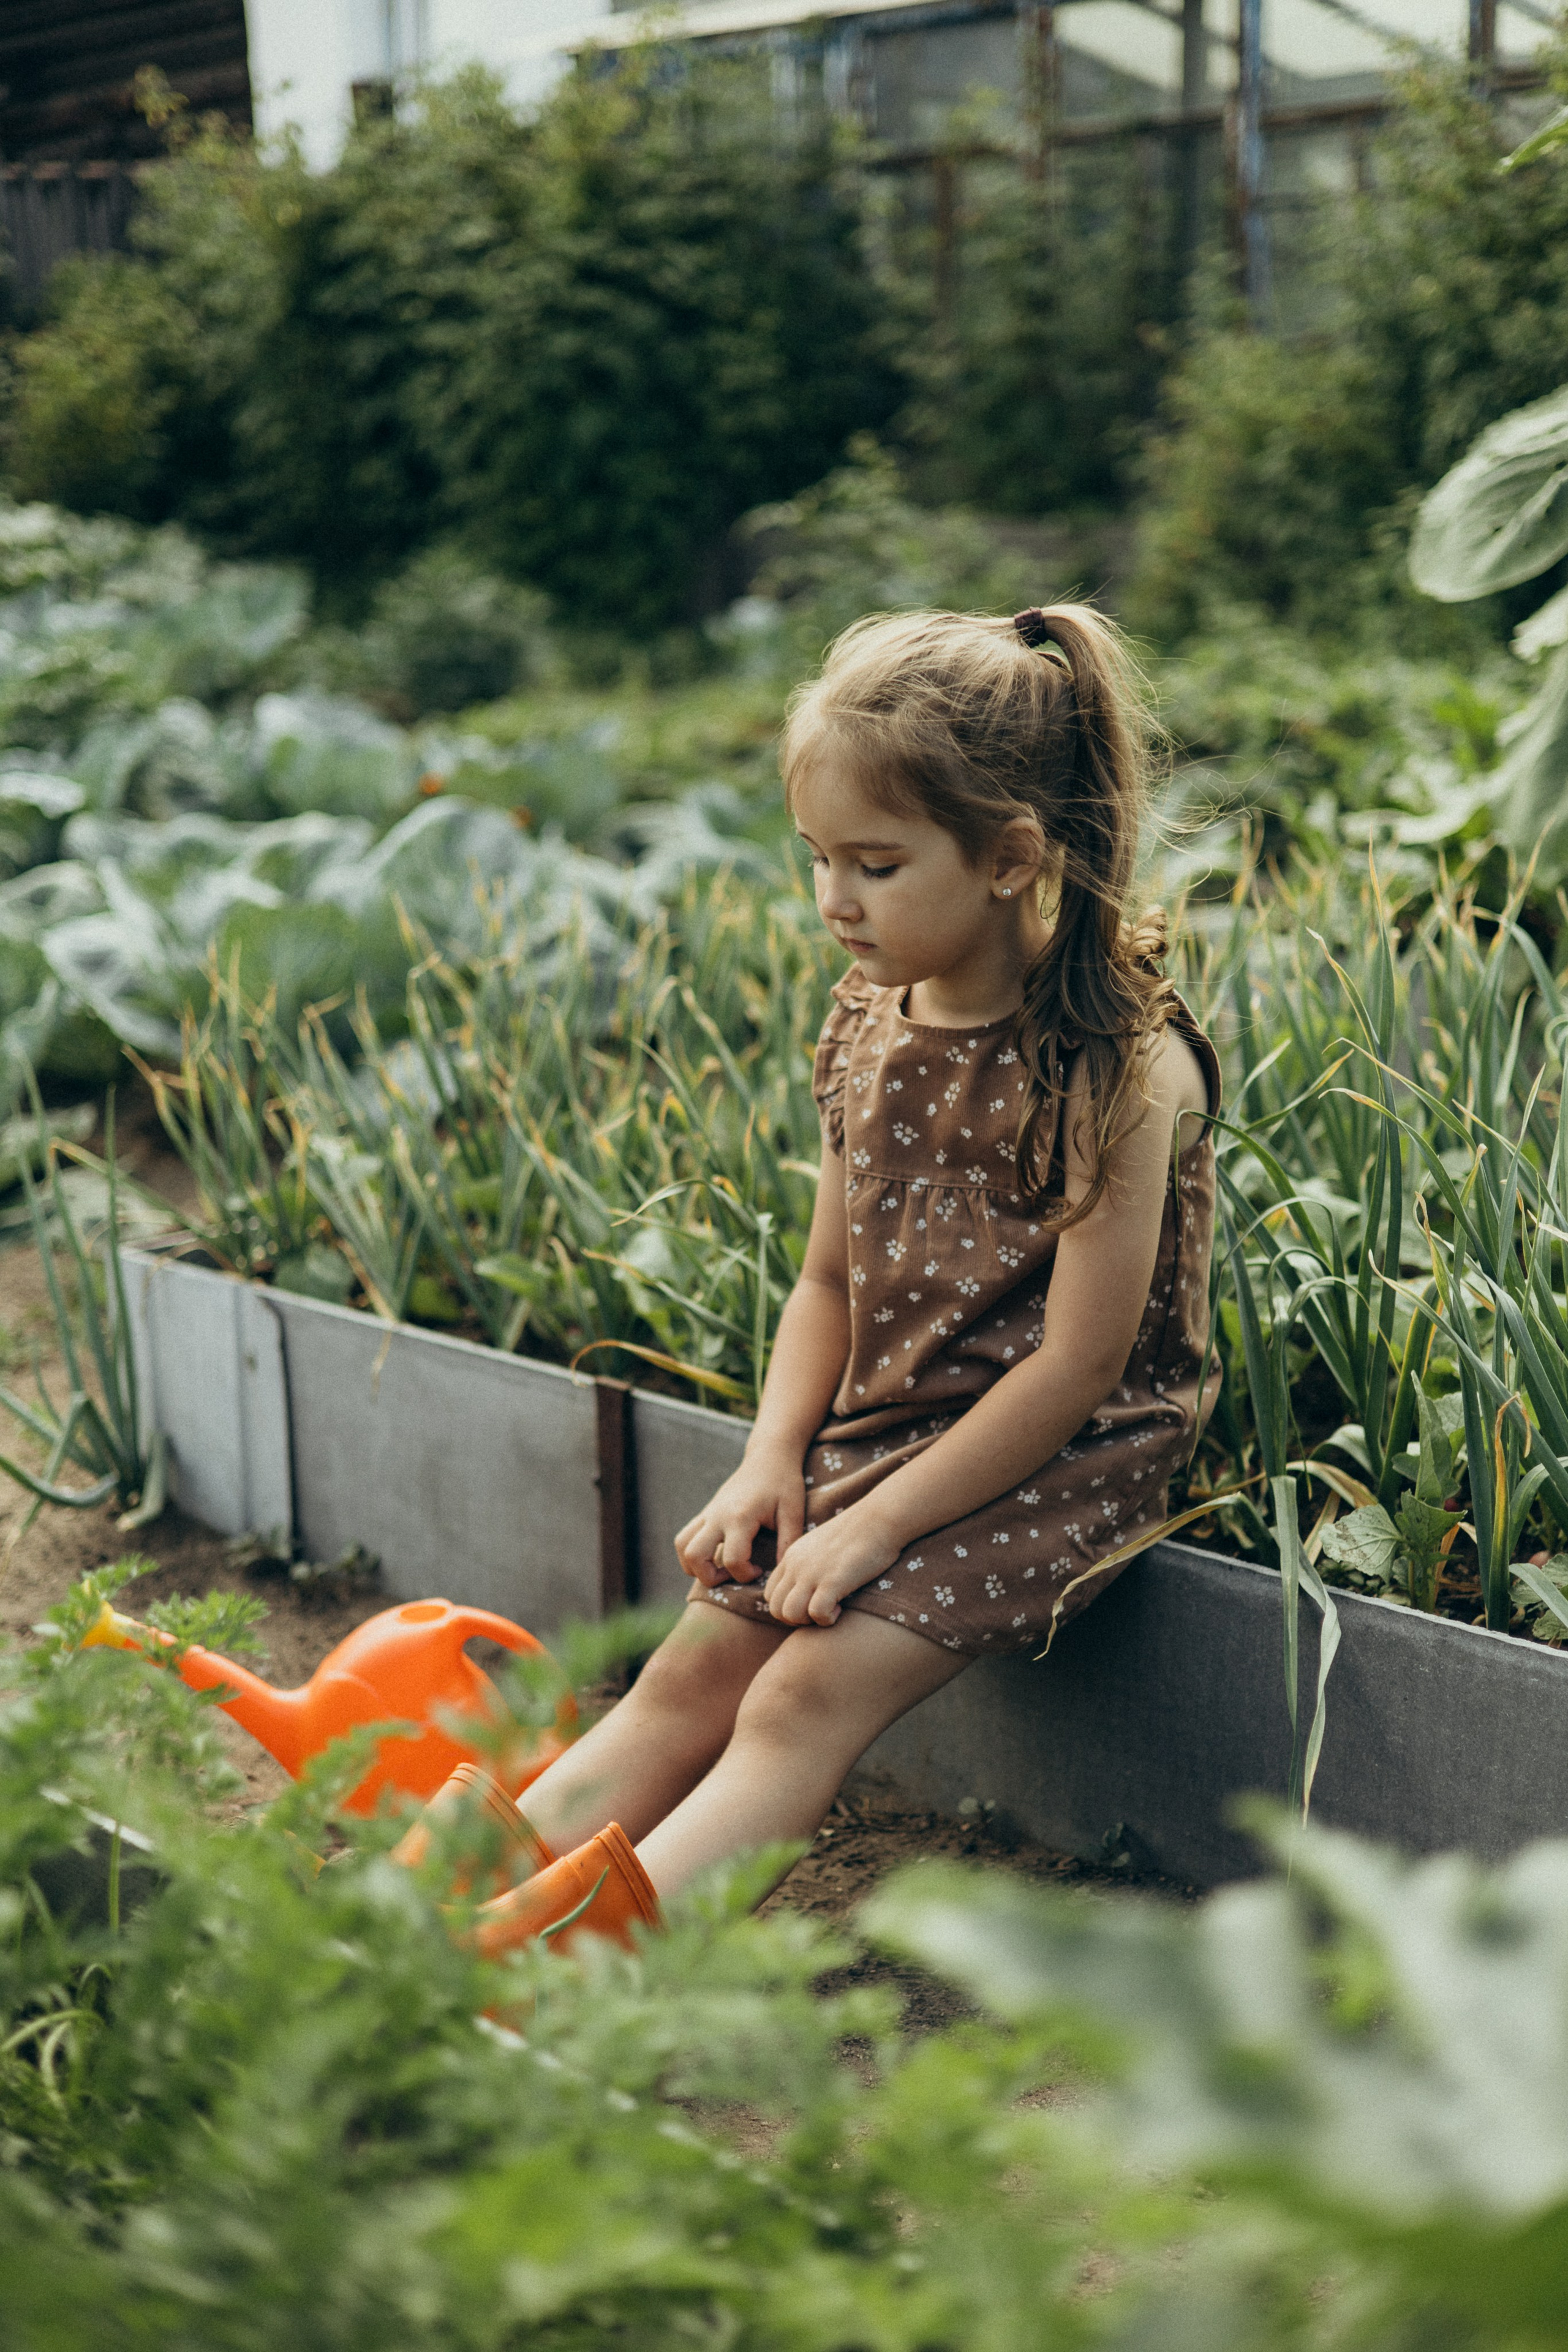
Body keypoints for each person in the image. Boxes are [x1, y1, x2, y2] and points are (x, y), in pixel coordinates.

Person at [396, 605, 1220, 1954]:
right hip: (887, 1429)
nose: (833, 900)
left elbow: (1075, 1369)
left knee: (796, 1702)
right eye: (817, 861)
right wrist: (772, 1457)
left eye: (877, 864)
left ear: (1011, 856)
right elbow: (826, 1285)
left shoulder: (1119, 1069)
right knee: (692, 1668)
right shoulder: (864, 1023)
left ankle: (553, 1972)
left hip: (1060, 1457)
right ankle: (406, 1922)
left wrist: (874, 1526)